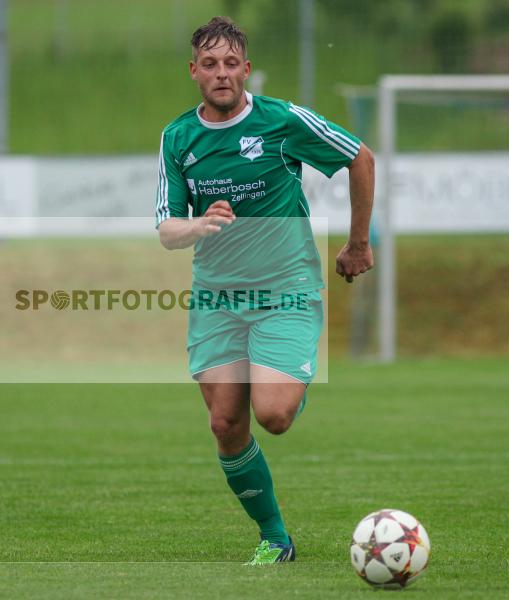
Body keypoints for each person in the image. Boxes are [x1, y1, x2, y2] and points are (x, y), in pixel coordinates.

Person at [154, 16, 375, 565]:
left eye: (231, 63)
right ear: (193, 72)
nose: (222, 73)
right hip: (217, 298)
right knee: (226, 423)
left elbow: (360, 158)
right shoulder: (178, 137)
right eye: (210, 64)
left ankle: (290, 386)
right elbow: (166, 229)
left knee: (272, 415)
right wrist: (198, 225)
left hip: (286, 289)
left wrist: (357, 243)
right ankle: (275, 539)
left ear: (246, 70)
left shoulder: (280, 121)